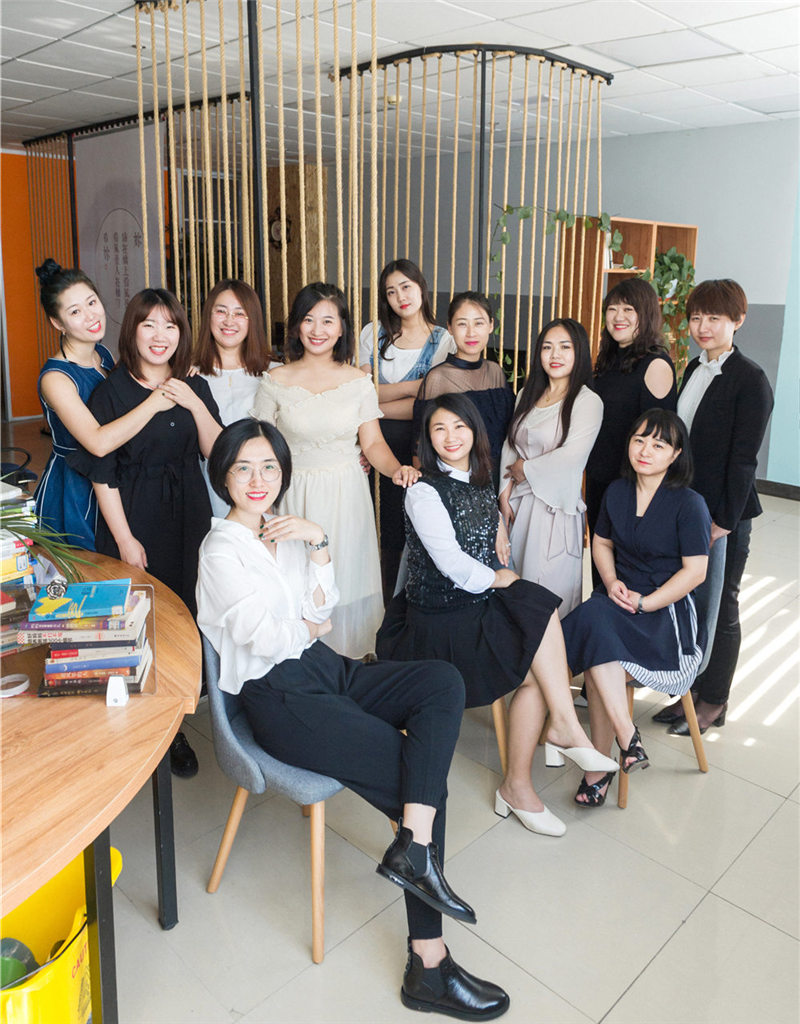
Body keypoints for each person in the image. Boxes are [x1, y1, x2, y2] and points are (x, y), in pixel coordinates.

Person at [195, 418, 510, 1021]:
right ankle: (429, 964)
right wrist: (307, 625)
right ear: (223, 476)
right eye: (243, 468)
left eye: (269, 467)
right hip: (278, 698)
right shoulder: (221, 551)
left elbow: (324, 607)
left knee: (442, 681)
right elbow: (263, 637)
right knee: (422, 780)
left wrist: (317, 542)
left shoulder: (285, 530)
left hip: (324, 668)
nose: (259, 480)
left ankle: (412, 850)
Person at [377, 393, 619, 837]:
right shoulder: (423, 491)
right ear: (427, 439)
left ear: (475, 432)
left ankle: (526, 774)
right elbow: (453, 565)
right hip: (435, 623)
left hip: (473, 609)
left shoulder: (478, 481)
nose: (451, 437)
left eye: (460, 427)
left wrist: (501, 538)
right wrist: (499, 578)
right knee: (533, 618)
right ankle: (551, 744)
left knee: (538, 644)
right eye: (439, 429)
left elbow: (484, 535)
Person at [71, 288, 223, 778]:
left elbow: (217, 452)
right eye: (149, 325)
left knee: (189, 612)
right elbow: (103, 473)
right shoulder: (111, 391)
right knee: (144, 619)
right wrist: (124, 539)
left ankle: (185, 705)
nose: (161, 336)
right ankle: (164, 732)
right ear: (133, 331)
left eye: (170, 326)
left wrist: (193, 402)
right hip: (135, 514)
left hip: (190, 513)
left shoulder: (192, 384)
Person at [252, 282, 418, 659]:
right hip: (294, 495)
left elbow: (372, 444)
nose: (318, 329)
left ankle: (349, 666)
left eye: (328, 320)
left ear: (342, 328)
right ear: (296, 325)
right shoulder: (275, 381)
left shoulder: (358, 382)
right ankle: (303, 666)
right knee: (298, 583)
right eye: (309, 319)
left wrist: (397, 470)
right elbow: (262, 449)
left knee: (347, 579)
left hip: (347, 495)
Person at [561, 409, 711, 807]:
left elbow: (695, 572)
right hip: (617, 599)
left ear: (675, 454)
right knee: (597, 624)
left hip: (664, 615)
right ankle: (626, 742)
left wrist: (646, 602)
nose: (645, 450)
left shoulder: (690, 504)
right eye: (639, 440)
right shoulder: (617, 491)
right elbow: (602, 543)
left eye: (659, 445)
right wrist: (611, 582)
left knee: (592, 638)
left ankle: (601, 762)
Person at [653, 279, 774, 736]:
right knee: (690, 603)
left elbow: (744, 460)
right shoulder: (693, 368)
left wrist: (723, 521)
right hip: (686, 506)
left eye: (715, 318)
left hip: (724, 516)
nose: (703, 326)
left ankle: (714, 700)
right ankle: (689, 691)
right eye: (696, 317)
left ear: (737, 320)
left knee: (722, 606)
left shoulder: (750, 380)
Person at [32, 258, 174, 549]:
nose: (90, 316)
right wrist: (155, 403)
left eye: (92, 302)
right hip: (75, 487)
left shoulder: (103, 355)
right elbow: (97, 443)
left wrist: (179, 371)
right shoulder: (56, 378)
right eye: (75, 311)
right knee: (87, 568)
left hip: (112, 476)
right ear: (57, 323)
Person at [358, 259, 454, 599]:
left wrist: (374, 401)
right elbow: (358, 391)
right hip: (371, 445)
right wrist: (413, 387)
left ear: (421, 288)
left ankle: (404, 601)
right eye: (391, 291)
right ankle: (375, 600)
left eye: (406, 287)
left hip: (417, 448)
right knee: (373, 527)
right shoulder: (372, 333)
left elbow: (429, 404)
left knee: (410, 528)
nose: (400, 297)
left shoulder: (443, 340)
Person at [499, 318, 602, 616]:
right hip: (519, 506)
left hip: (554, 509)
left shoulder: (587, 401)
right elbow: (510, 443)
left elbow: (572, 457)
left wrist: (525, 470)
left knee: (548, 600)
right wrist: (504, 493)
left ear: (579, 352)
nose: (555, 355)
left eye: (565, 347)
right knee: (516, 592)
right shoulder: (527, 394)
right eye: (547, 347)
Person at [585, 278, 677, 579]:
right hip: (600, 478)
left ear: (645, 314)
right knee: (601, 566)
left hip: (631, 485)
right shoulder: (609, 359)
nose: (618, 316)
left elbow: (659, 437)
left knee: (625, 573)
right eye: (612, 309)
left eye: (628, 309)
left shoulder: (655, 364)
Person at [194, 279, 278, 518]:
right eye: (221, 311)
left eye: (239, 313)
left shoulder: (274, 374)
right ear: (208, 316)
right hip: (204, 489)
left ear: (253, 320)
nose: (229, 321)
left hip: (263, 489)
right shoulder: (190, 376)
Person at [414, 292, 514, 486]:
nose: (471, 333)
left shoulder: (495, 372)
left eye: (478, 323)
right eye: (462, 324)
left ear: (491, 325)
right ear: (450, 328)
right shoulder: (438, 377)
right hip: (456, 482)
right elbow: (419, 446)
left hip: (499, 478)